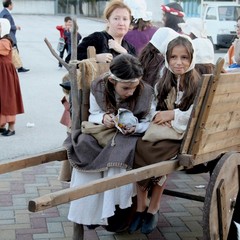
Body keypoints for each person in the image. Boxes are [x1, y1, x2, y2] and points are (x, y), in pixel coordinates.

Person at [63, 53, 155, 229]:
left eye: (134, 87)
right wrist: (103, 117)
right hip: (104, 131)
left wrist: (136, 127)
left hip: (131, 135)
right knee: (84, 144)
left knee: (119, 153)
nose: (131, 92)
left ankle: (113, 212)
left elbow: (150, 121)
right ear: (113, 82)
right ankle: (87, 213)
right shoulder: (98, 86)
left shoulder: (147, 92)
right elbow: (93, 113)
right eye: (126, 88)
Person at [128, 35, 201, 234]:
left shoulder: (197, 82)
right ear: (167, 59)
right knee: (139, 148)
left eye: (184, 57)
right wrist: (159, 114)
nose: (179, 62)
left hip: (181, 134)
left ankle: (154, 207)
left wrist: (173, 114)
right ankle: (141, 205)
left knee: (159, 158)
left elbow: (195, 113)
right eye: (174, 57)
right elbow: (152, 107)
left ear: (192, 58)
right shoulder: (164, 79)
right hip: (161, 130)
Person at [65, 0, 136, 63]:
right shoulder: (97, 38)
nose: (121, 23)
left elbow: (138, 69)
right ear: (108, 21)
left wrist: (124, 52)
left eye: (125, 19)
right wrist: (95, 58)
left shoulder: (130, 47)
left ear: (129, 23)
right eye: (116, 18)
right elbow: (70, 59)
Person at [0, 18, 24, 136]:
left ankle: (11, 127)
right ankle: (2, 125)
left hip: (6, 75)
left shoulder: (5, 41)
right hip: (2, 73)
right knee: (2, 99)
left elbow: (3, 52)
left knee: (7, 99)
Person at [0, 0, 29, 73]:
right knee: (13, 50)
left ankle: (19, 66)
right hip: (9, 35)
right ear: (9, 5)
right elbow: (7, 25)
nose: (13, 6)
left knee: (15, 50)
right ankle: (18, 67)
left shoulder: (3, 12)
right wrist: (16, 27)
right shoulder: (7, 14)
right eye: (12, 4)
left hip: (6, 35)